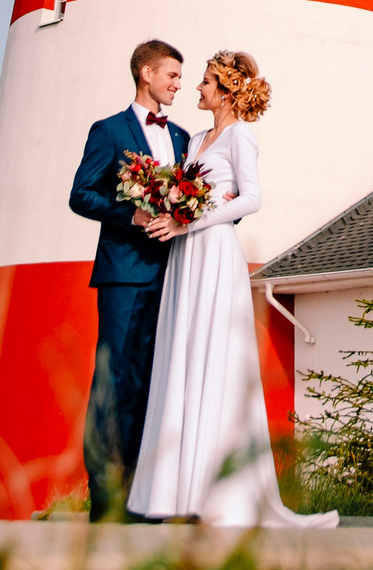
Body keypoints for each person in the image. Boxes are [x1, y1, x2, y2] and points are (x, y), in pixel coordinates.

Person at [126, 50, 337, 528]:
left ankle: (224, 497)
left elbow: (252, 198)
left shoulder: (241, 135)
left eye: (204, 81)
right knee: (183, 358)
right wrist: (168, 208)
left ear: (224, 90)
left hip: (215, 252)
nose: (197, 88)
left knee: (215, 358)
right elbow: (190, 192)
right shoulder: (194, 138)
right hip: (185, 255)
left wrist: (190, 220)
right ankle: (181, 493)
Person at [67, 39, 190, 510]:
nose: (178, 84)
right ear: (146, 73)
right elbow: (81, 194)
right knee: (114, 382)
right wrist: (130, 215)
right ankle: (104, 501)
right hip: (123, 274)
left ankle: (140, 497)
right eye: (172, 75)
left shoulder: (183, 137)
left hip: (174, 275)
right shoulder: (109, 131)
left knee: (153, 383)